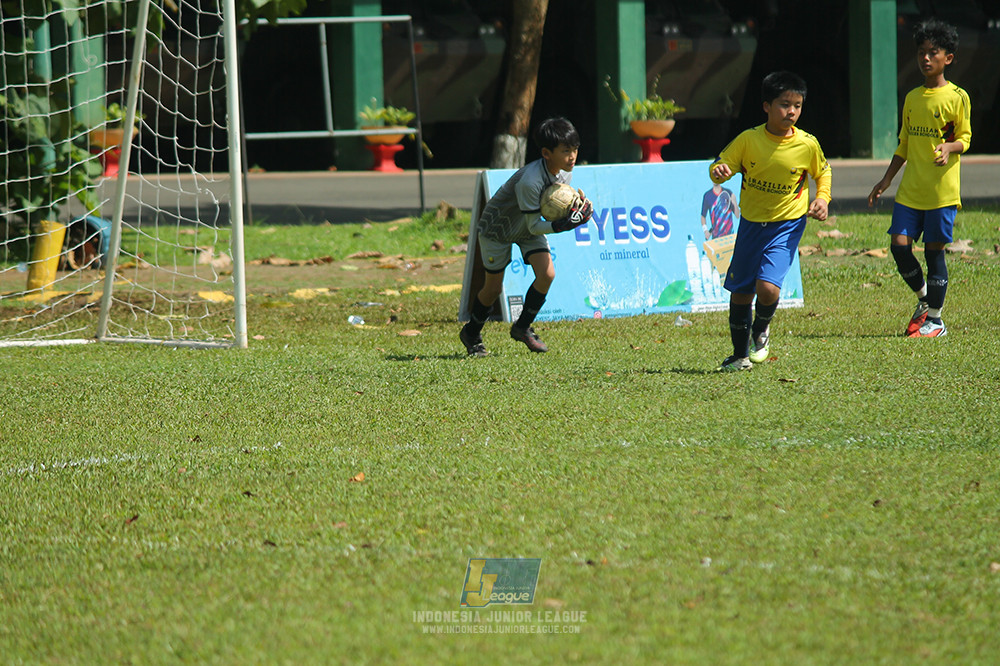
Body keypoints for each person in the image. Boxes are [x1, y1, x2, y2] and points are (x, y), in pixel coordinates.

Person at [708, 71, 832, 372]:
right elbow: (718, 167)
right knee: (741, 292)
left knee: (768, 289)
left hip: (786, 225)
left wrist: (822, 198)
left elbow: (822, 172)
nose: (791, 111)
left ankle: (761, 328)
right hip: (751, 224)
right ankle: (739, 356)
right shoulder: (748, 140)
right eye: (784, 104)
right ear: (766, 106)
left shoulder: (807, 144)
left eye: (797, 105)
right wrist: (719, 171)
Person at [867, 18, 970, 338]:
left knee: (933, 252)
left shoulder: (957, 97)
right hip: (910, 191)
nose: (925, 58)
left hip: (941, 192)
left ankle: (936, 321)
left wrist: (949, 148)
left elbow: (965, 139)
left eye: (933, 53)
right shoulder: (912, 98)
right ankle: (925, 300)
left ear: (947, 58)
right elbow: (904, 145)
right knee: (899, 247)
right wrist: (885, 180)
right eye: (921, 53)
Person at [459, 117, 592, 356]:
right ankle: (471, 333)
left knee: (547, 274)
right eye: (565, 151)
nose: (572, 156)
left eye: (575, 149)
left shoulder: (564, 174)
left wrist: (578, 207)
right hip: (498, 228)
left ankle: (522, 328)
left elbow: (542, 218)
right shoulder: (530, 181)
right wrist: (562, 225)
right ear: (546, 153)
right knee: (493, 289)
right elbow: (534, 226)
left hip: (529, 226)